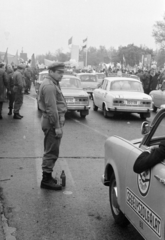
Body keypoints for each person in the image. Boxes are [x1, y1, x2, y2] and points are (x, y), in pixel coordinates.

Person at [38, 62, 67, 190]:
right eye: (59, 72)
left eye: (62, 72)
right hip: (51, 123)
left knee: (51, 149)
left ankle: (48, 176)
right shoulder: (50, 86)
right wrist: (57, 126)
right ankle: (46, 180)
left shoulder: (52, 83)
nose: (62, 75)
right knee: (51, 151)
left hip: (51, 121)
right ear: (51, 72)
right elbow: (52, 109)